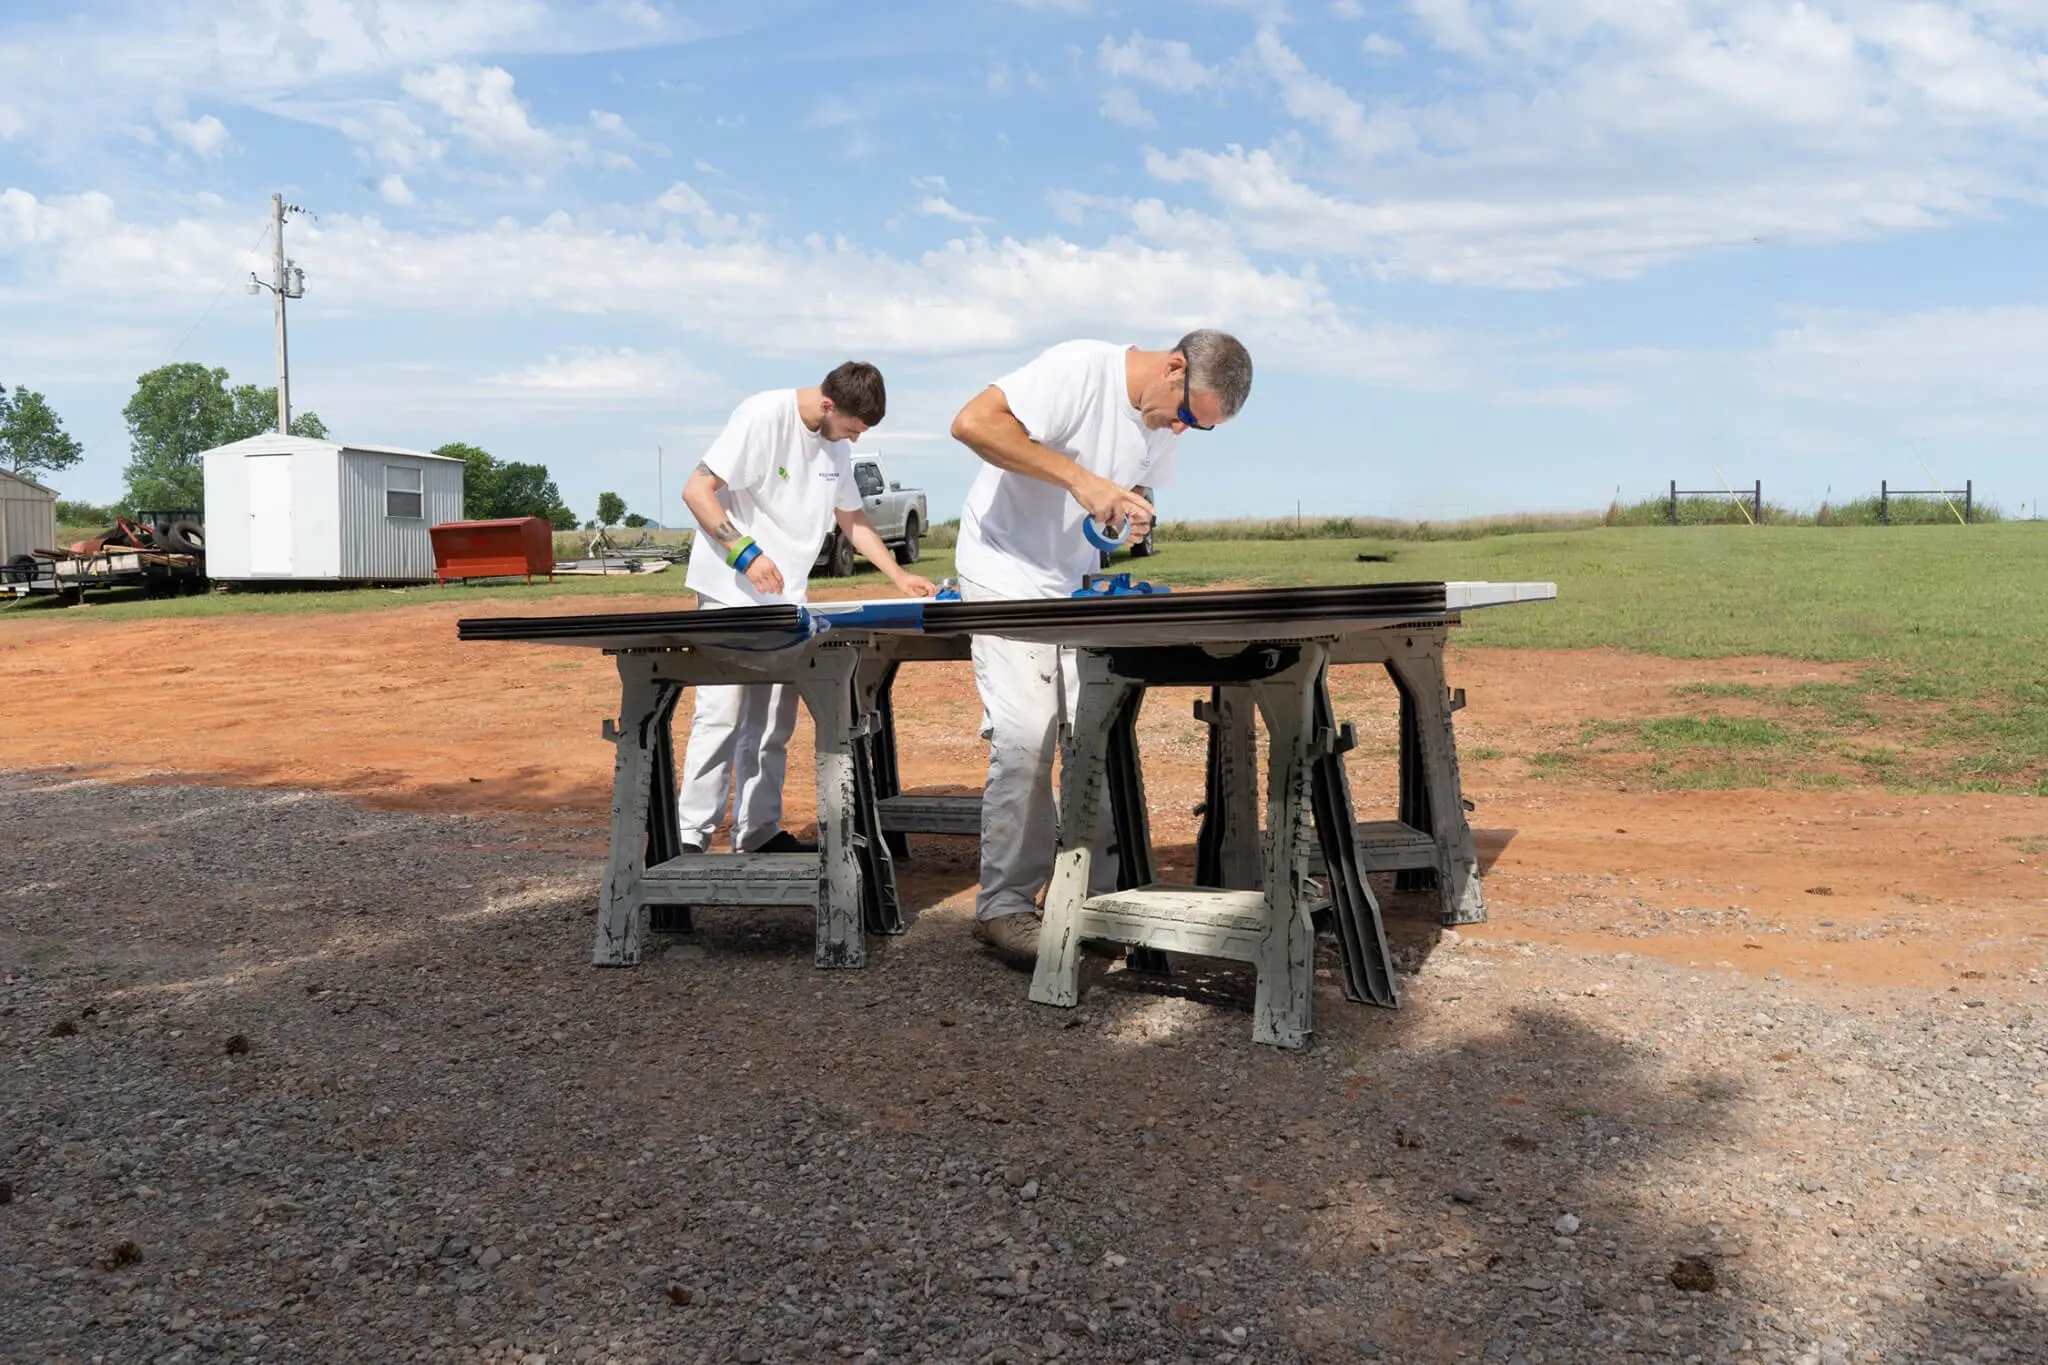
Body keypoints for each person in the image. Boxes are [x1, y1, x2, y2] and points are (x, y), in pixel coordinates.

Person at [947, 330, 1253, 962]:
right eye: (1191, 414)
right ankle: (1003, 907)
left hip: (1075, 582)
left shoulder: (1164, 424)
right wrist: (1082, 481)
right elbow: (973, 423)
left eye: (1204, 427)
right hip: (1003, 567)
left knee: (1096, 730)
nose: (1186, 430)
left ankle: (1097, 897)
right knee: (1027, 733)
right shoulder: (1079, 369)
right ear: (1173, 368)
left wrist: (1134, 512)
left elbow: (1132, 490)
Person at [676, 362, 935, 854]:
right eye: (854, 427)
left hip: (786, 597)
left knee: (773, 721)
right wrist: (745, 553)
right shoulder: (762, 416)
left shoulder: (835, 442)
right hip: (732, 590)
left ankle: (757, 832)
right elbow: (697, 490)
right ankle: (691, 836)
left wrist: (897, 573)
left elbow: (852, 517)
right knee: (721, 715)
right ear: (827, 404)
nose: (854, 440)